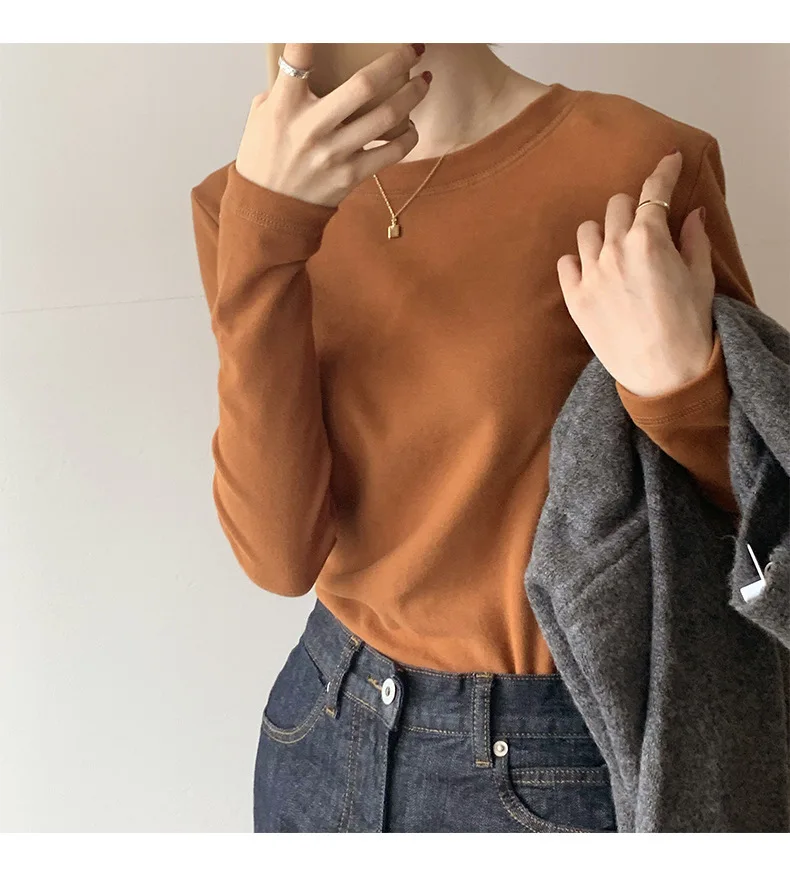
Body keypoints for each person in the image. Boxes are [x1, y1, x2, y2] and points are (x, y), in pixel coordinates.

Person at [190, 43, 757, 832]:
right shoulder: (246, 202)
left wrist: (677, 385)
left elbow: (757, 525)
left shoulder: (637, 163)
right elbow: (279, 555)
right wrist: (265, 233)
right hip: (323, 729)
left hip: (552, 754)